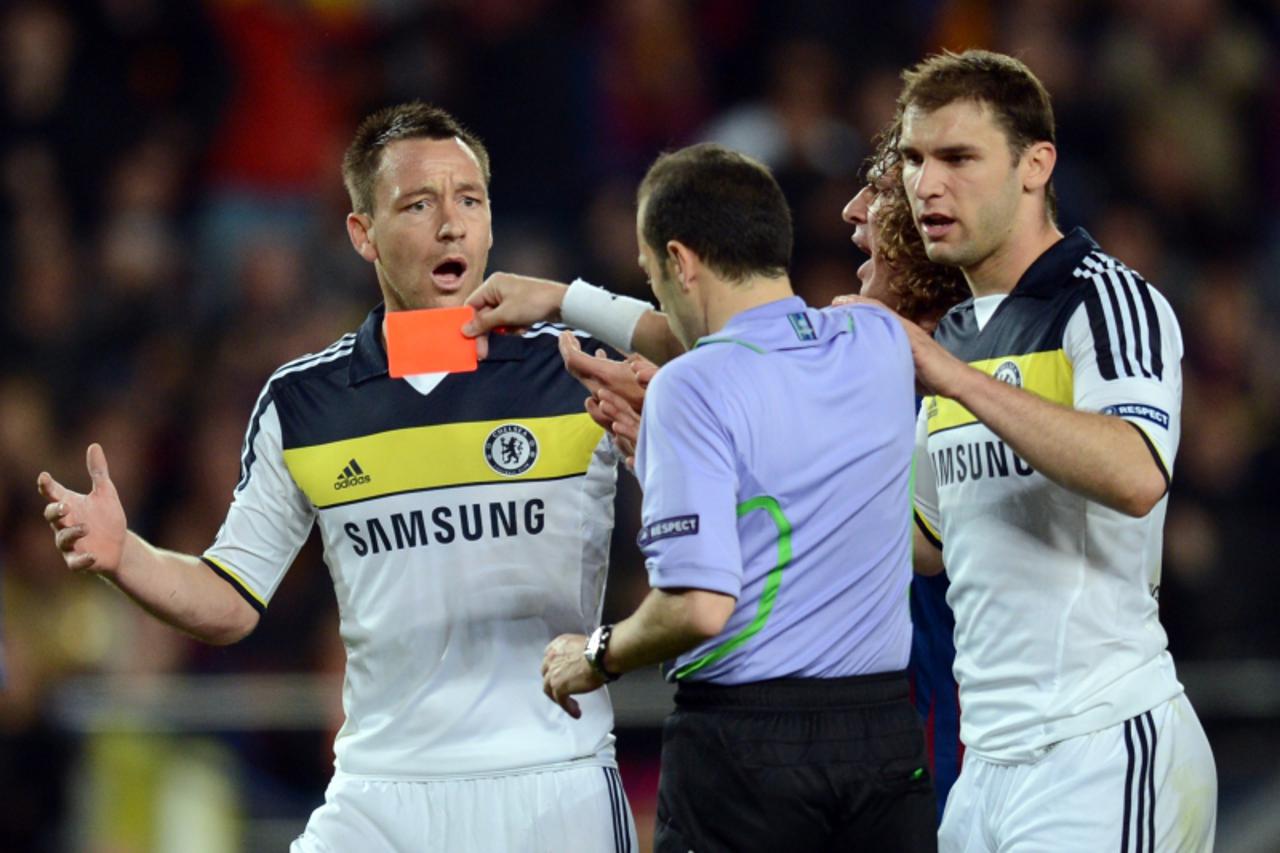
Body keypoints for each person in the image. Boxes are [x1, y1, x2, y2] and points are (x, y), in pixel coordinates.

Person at [37, 101, 638, 853]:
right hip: (380, 793)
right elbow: (231, 598)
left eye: (470, 200)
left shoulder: (576, 367)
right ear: (363, 233)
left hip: (550, 778)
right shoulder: (306, 402)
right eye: (419, 204)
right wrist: (126, 554)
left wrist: (568, 297)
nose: (451, 224)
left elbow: (724, 345)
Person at [538, 142, 937, 851]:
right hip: (885, 738)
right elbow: (792, 474)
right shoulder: (878, 341)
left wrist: (595, 653)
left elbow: (697, 605)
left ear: (682, 261)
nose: (659, 293)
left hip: (746, 749)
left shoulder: (693, 388)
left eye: (653, 273)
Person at [890, 50, 1216, 851]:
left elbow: (1137, 470)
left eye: (958, 157)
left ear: (1036, 165)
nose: (927, 185)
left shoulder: (1105, 299)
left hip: (1101, 744)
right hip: (989, 767)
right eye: (913, 159)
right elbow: (927, 546)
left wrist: (949, 379)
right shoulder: (958, 335)